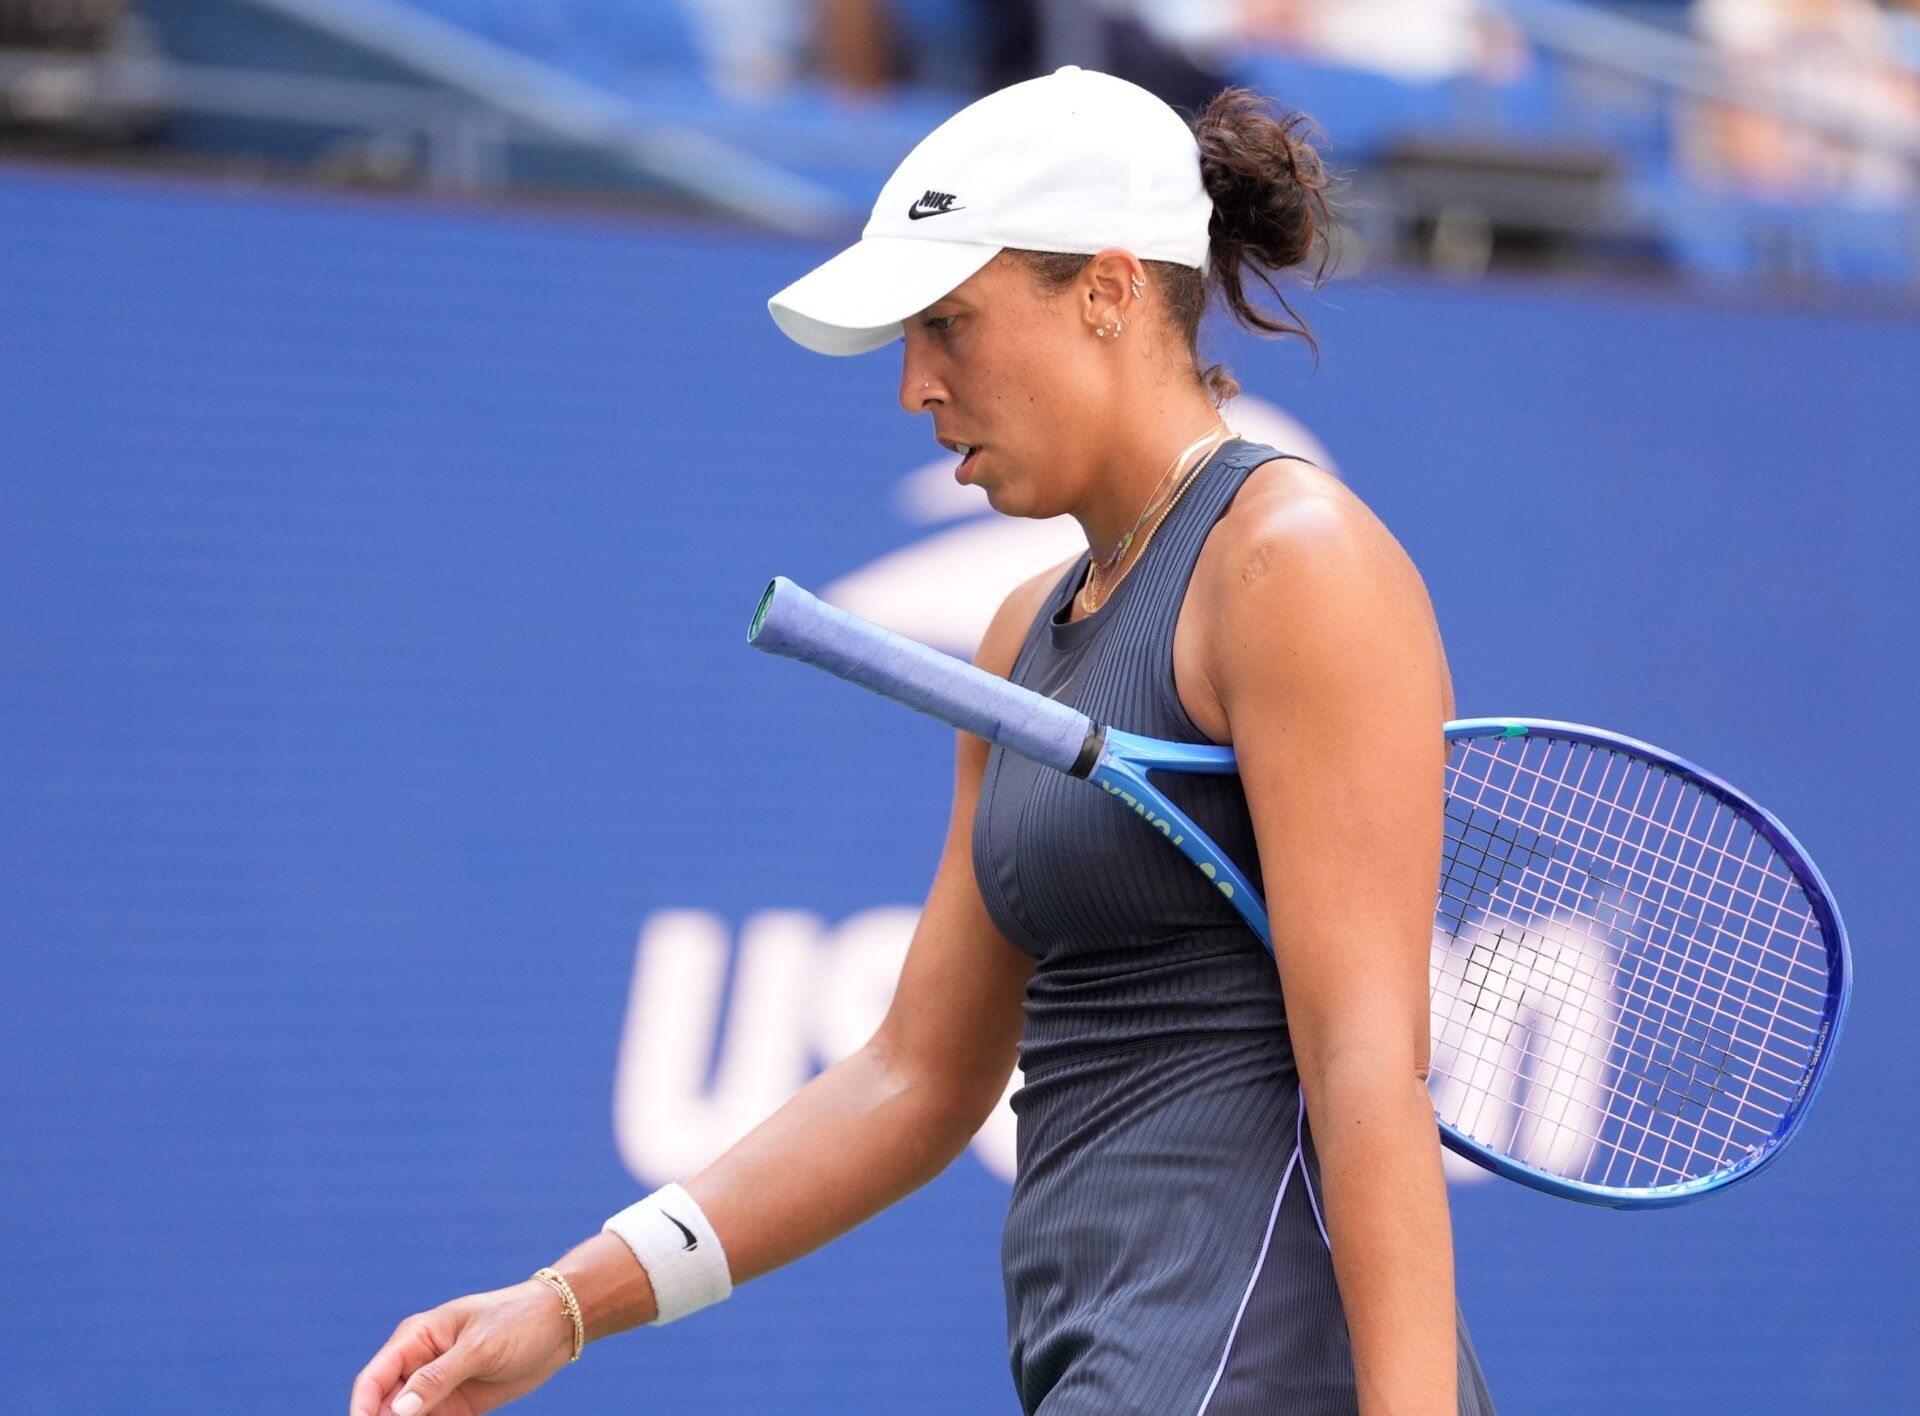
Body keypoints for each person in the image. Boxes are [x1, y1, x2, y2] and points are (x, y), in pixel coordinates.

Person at [349, 66, 1497, 1416]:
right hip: (1106, 1367)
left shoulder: (1294, 568)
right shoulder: (1020, 636)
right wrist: (565, 1304)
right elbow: (916, 1074)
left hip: (1256, 1370)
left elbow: (1368, 1067)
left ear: (1110, 291)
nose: (913, 384)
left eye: (950, 322)